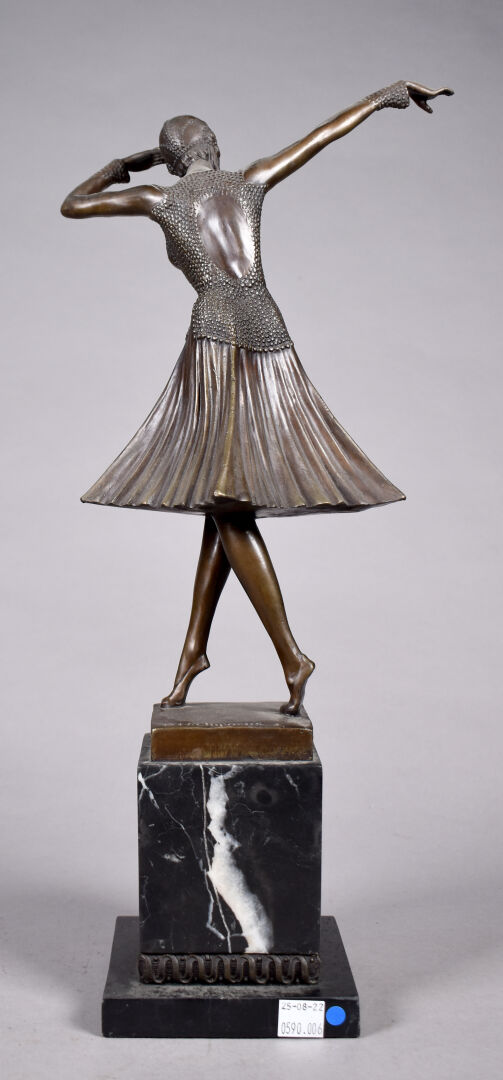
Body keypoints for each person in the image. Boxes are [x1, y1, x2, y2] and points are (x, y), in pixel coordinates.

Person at [61, 79, 453, 714]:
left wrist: (124, 164)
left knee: (226, 499)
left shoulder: (160, 197)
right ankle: (193, 651)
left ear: (170, 158)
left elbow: (73, 205)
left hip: (217, 334)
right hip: (270, 328)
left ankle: (291, 656)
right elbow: (322, 136)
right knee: (224, 497)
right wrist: (386, 95)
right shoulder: (250, 179)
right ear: (214, 147)